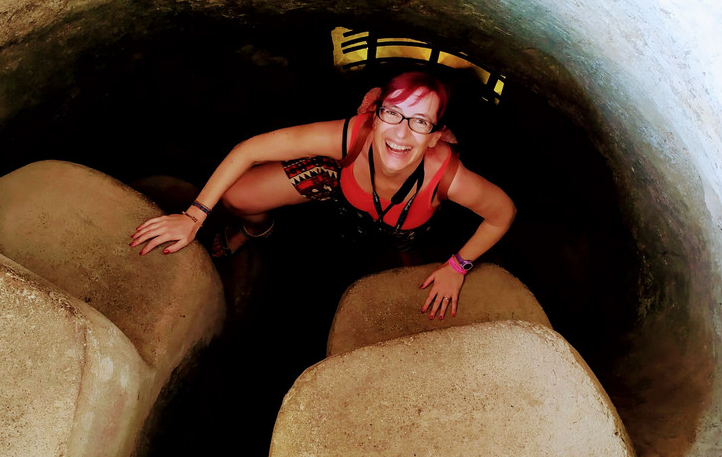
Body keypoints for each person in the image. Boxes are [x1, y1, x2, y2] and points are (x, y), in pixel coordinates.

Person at [130, 70, 516, 320]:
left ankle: (403, 253)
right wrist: (194, 216)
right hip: (338, 184)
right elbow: (251, 149)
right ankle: (254, 232)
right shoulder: (350, 135)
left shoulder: (449, 177)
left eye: (419, 122)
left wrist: (457, 266)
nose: (400, 134)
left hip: (408, 219)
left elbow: (502, 213)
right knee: (238, 197)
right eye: (392, 114)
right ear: (375, 113)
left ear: (435, 135)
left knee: (406, 240)